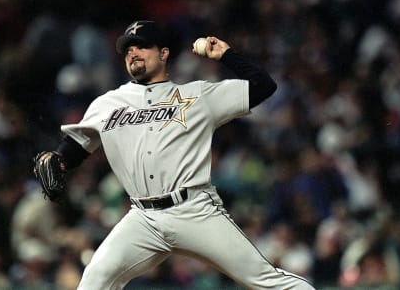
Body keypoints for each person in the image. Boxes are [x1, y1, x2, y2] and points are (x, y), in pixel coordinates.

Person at [33, 20, 316, 289]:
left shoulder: (197, 96)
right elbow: (77, 145)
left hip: (193, 209)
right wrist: (59, 160)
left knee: (265, 280)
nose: (133, 53)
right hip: (142, 218)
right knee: (94, 281)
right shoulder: (107, 104)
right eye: (128, 49)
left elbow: (263, 86)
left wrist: (226, 55)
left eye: (142, 46)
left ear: (164, 53)